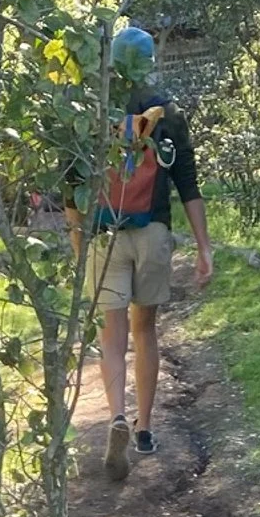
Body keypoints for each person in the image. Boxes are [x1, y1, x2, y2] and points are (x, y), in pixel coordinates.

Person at [68, 25, 213, 479]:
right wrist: (204, 248)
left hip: (105, 231)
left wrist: (78, 250)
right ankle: (145, 429)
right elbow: (187, 183)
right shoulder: (168, 114)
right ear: (150, 61)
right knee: (144, 330)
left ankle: (116, 415)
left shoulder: (91, 112)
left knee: (112, 334)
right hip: (152, 233)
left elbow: (72, 188)